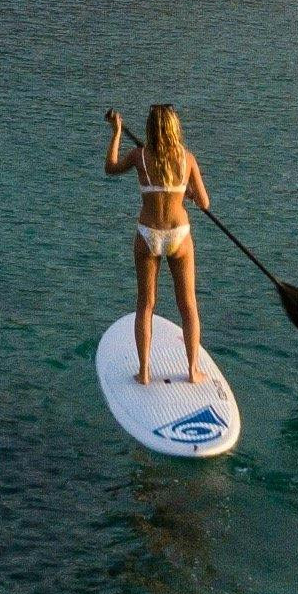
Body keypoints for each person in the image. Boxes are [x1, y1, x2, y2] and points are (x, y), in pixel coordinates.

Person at [104, 103, 211, 387]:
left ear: (150, 129)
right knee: (188, 305)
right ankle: (192, 371)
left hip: (148, 234)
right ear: (175, 129)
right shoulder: (187, 160)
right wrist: (184, 192)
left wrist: (116, 133)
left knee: (146, 304)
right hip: (178, 235)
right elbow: (204, 202)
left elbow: (110, 167)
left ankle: (144, 372)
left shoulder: (139, 156)